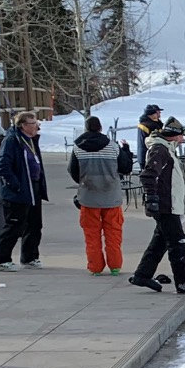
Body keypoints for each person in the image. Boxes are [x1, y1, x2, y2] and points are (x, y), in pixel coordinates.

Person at [129, 120, 185, 292]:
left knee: (160, 242)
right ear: (175, 135)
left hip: (170, 204)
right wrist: (152, 197)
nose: (183, 139)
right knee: (178, 243)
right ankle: (183, 281)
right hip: (166, 205)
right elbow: (148, 175)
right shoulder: (160, 150)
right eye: (181, 135)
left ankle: (142, 275)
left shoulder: (166, 149)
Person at [68, 116, 127, 275]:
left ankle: (95, 267)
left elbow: (73, 170)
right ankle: (115, 266)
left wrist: (83, 181)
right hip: (111, 197)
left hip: (88, 197)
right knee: (113, 233)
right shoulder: (113, 147)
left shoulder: (78, 148)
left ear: (86, 128)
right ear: (100, 128)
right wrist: (126, 151)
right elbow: (125, 167)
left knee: (91, 235)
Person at [0, 111, 47, 271]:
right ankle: (1, 259)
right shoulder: (12, 141)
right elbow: (2, 166)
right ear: (23, 125)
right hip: (18, 191)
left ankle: (30, 257)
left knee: (34, 224)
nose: (37, 126)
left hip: (33, 188)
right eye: (33, 123)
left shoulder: (31, 140)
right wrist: (15, 184)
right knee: (14, 225)